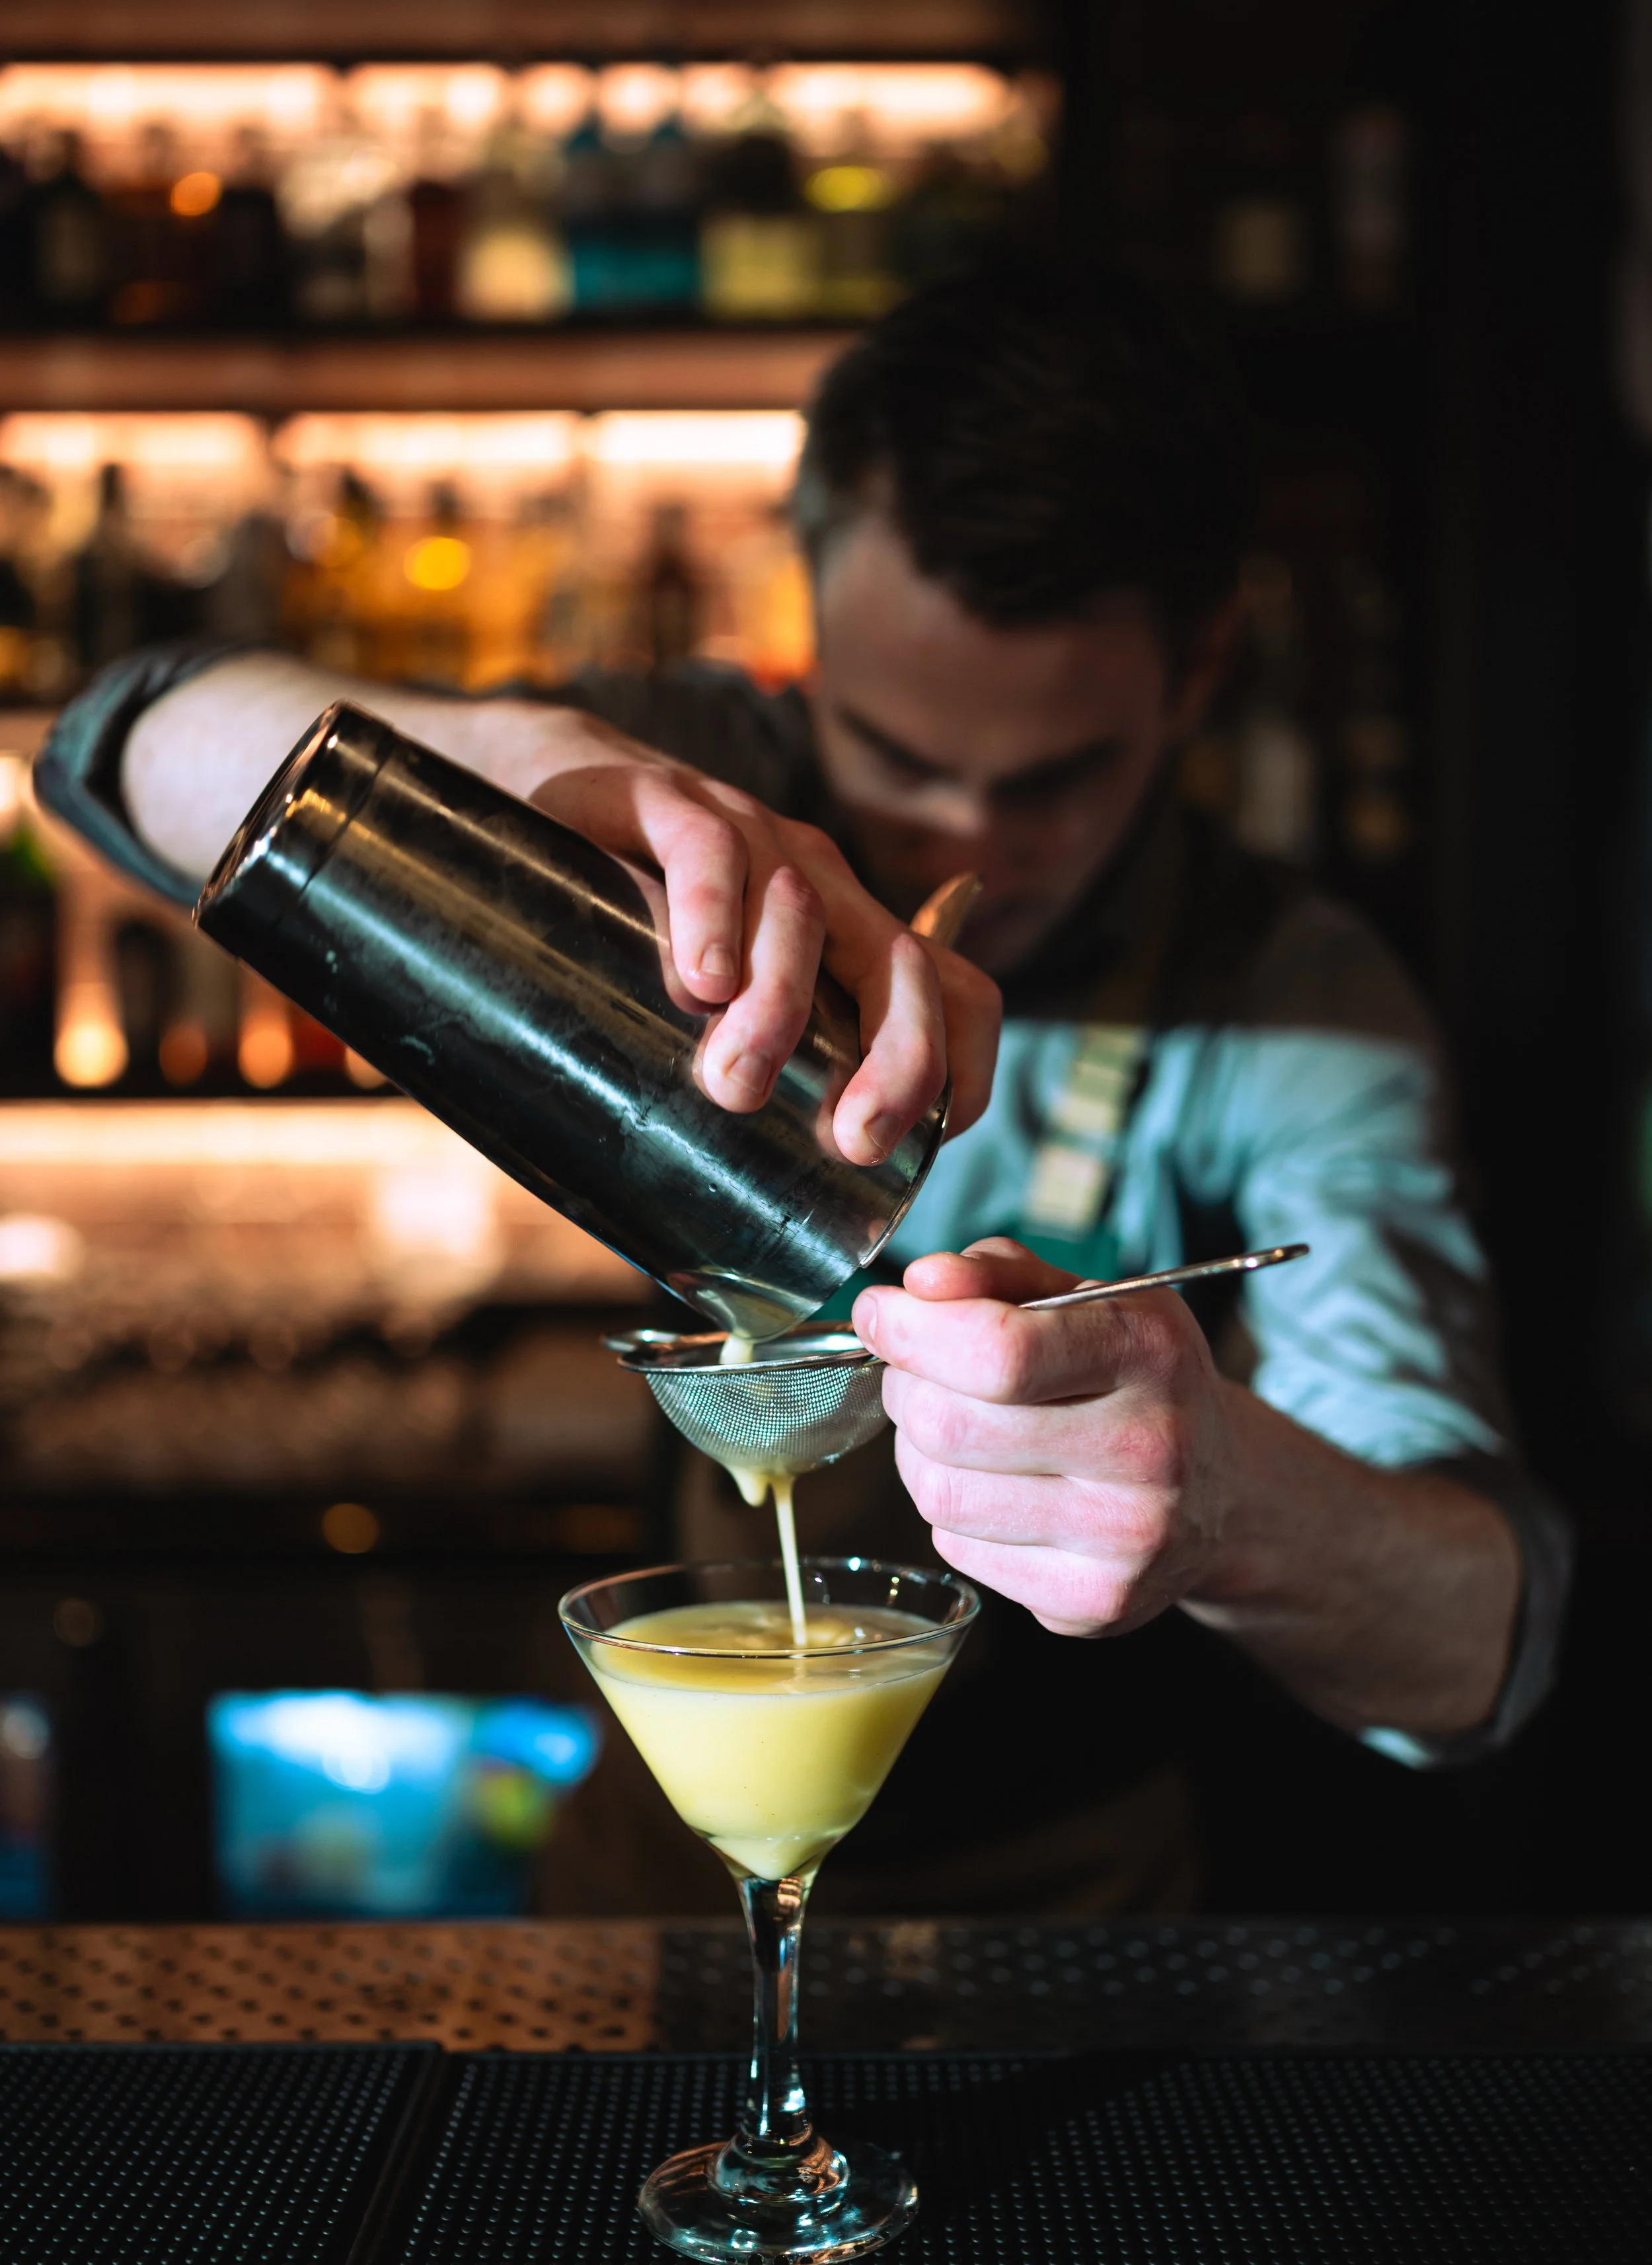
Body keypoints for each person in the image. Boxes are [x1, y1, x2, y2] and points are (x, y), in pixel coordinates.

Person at [36, 263, 1569, 1913]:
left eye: (1055, 779)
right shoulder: (683, 778)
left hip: (1066, 1893)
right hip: (655, 1844)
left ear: (1195, 679)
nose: (969, 844)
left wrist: (1225, 1501)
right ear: (811, 607)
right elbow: (108, 748)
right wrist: (477, 766)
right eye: (897, 755)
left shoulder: (1297, 1005)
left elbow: (1482, 1639)